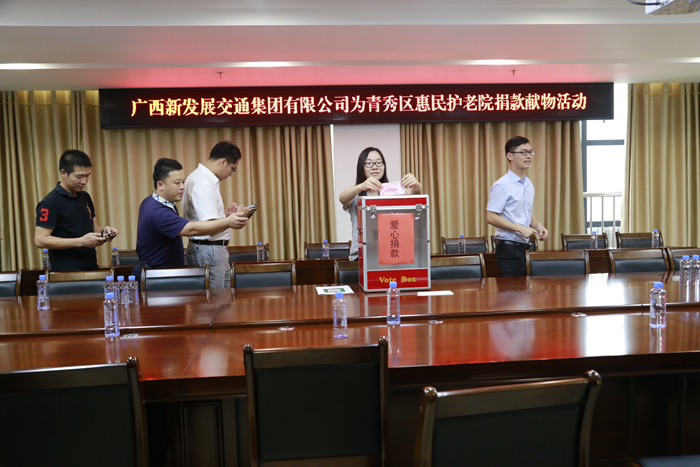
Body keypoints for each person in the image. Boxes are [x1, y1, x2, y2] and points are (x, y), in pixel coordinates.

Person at [134, 158, 249, 275]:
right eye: (177, 183)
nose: (182, 187)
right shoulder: (159, 212)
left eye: (183, 182)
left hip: (158, 272)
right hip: (154, 276)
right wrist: (228, 222)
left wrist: (225, 214)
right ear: (160, 185)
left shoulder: (152, 201)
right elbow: (192, 229)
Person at [35, 149, 118, 272]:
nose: (84, 181)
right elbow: (40, 240)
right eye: (79, 177)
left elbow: (93, 227)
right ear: (63, 173)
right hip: (65, 273)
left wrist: (104, 233)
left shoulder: (85, 197)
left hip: (91, 268)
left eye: (87, 175)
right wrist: (80, 242)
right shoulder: (50, 203)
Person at [183, 141, 249, 289]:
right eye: (233, 169)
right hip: (209, 250)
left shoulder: (206, 179)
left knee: (222, 298)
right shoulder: (203, 182)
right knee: (215, 300)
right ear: (223, 162)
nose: (231, 174)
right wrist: (231, 221)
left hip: (211, 250)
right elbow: (210, 227)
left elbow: (206, 219)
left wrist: (226, 214)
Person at [339, 147, 422, 260]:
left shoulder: (392, 191)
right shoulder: (357, 194)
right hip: (361, 256)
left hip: (388, 254)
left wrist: (416, 184)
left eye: (379, 162)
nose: (375, 167)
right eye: (369, 163)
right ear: (361, 167)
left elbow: (416, 194)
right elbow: (342, 198)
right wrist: (361, 186)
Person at [486, 136, 548, 277]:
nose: (528, 156)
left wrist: (537, 225)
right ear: (510, 156)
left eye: (530, 152)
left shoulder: (528, 183)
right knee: (512, 290)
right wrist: (520, 228)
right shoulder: (502, 184)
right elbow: (490, 217)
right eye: (523, 152)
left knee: (526, 290)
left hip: (525, 249)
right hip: (508, 250)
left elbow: (523, 212)